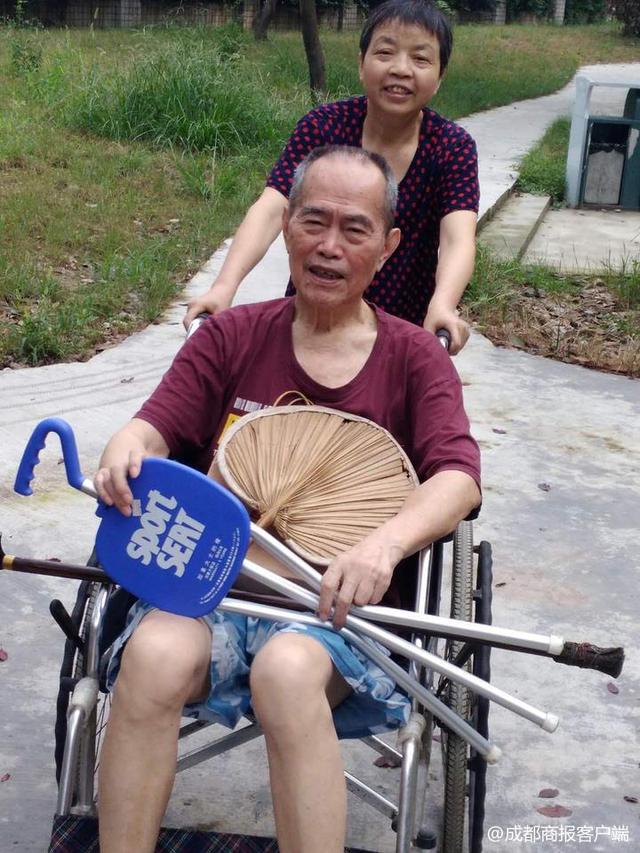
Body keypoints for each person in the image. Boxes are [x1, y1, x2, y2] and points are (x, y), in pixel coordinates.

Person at [95, 146, 481, 853]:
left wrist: (385, 544)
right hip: (214, 590)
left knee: (286, 670)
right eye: (313, 221)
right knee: (150, 657)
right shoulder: (233, 336)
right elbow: (155, 427)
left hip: (334, 613)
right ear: (286, 228)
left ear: (388, 246)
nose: (329, 246)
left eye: (355, 229)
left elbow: (457, 477)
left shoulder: (412, 357)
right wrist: (128, 443)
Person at [183, 0, 479, 354]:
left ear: (440, 76)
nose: (401, 69)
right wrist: (224, 287)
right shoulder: (323, 127)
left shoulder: (452, 148)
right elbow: (271, 207)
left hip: (401, 335)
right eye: (385, 52)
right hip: (308, 322)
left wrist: (443, 304)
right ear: (361, 63)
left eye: (420, 58)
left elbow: (458, 238)